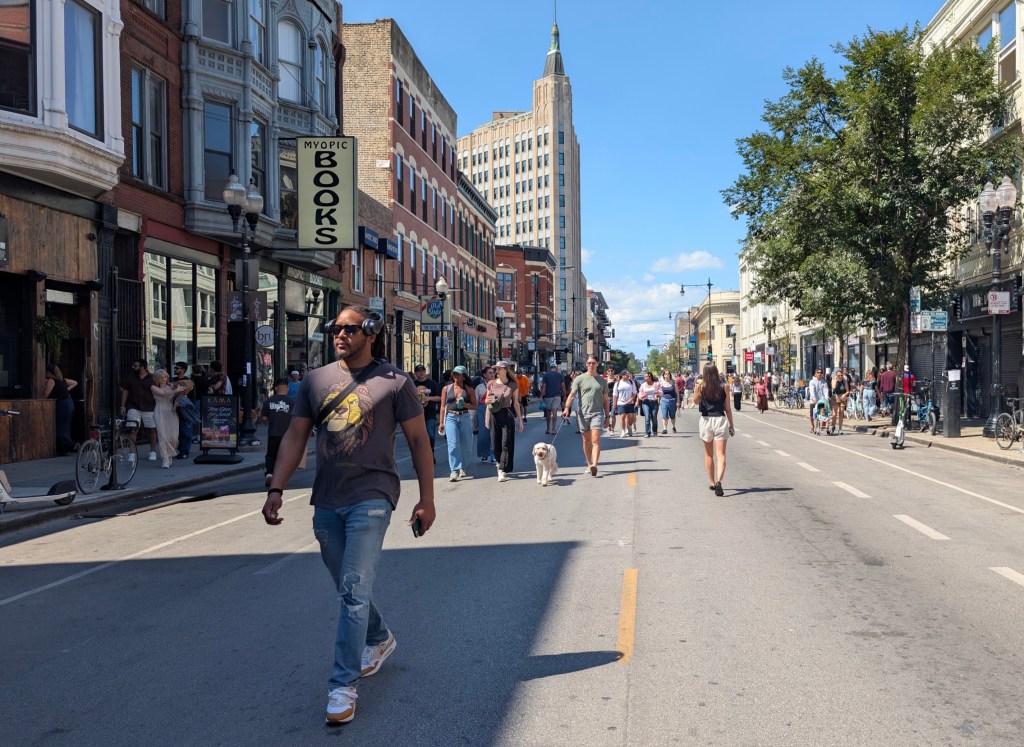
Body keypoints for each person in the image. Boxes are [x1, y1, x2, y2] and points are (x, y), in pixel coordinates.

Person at [261, 305, 435, 726]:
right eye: (335, 328)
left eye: (349, 328)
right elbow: (295, 437)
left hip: (373, 494)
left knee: (354, 589)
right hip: (327, 498)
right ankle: (378, 637)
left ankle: (342, 686)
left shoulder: (395, 382)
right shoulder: (316, 381)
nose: (340, 334)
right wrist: (276, 488)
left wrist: (426, 499)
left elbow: (418, 441)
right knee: (346, 586)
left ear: (370, 333)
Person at [562, 356, 609, 476]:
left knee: (595, 440)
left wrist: (608, 416)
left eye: (593, 363)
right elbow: (572, 394)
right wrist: (567, 408)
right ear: (586, 364)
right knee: (586, 440)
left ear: (597, 364)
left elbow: (605, 400)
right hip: (583, 413)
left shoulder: (602, 381)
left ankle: (595, 465)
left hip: (597, 413)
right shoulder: (580, 379)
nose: (591, 365)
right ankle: (589, 463)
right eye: (589, 363)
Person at [693, 362, 735, 496]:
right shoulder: (725, 387)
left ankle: (711, 482)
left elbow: (695, 402)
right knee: (721, 454)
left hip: (705, 420)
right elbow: (728, 408)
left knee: (708, 454)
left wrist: (698, 392)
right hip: (720, 420)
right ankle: (719, 482)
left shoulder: (701, 387)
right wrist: (731, 425)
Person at [485, 361, 523, 482]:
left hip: (507, 414)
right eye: (496, 368)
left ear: (506, 370)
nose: (497, 371)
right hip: (494, 415)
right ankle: (499, 463)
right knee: (496, 444)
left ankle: (502, 469)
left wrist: (520, 421)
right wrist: (488, 401)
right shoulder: (491, 384)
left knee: (506, 443)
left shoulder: (513, 385)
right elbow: (486, 401)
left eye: (499, 369)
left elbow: (516, 403)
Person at [438, 365, 476, 482]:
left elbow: (474, 405)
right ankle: (454, 469)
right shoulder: (446, 388)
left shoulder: (469, 389)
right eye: (454, 374)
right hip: (451, 417)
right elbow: (443, 406)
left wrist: (465, 405)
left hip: (464, 416)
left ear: (463, 376)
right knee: (453, 444)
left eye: (458, 374)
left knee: (466, 444)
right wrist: (441, 422)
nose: (456, 376)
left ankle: (463, 467)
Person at [120, 358, 158, 459]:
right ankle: (132, 453)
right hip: (134, 406)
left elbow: (158, 392)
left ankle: (153, 451)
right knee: (133, 429)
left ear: (143, 367)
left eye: (136, 366)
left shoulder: (152, 378)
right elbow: (125, 391)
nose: (133, 367)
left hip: (149, 407)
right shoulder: (130, 377)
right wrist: (123, 405)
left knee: (152, 429)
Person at [150, 369, 188, 468]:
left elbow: (179, 396)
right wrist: (176, 390)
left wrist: (179, 399)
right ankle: (165, 459)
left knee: (173, 437)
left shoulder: (171, 386)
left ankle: (169, 454)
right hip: (159, 411)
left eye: (165, 377)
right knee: (162, 436)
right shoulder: (153, 387)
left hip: (172, 412)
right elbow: (163, 394)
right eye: (161, 378)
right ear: (156, 379)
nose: (163, 379)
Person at [262, 377, 295, 486]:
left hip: (273, 433)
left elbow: (264, 418)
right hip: (287, 435)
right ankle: (281, 477)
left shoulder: (268, 401)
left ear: (276, 388)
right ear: (287, 388)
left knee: (271, 454)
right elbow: (296, 418)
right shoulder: (292, 402)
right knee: (284, 456)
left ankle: (269, 473)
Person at [44, 363, 78, 455]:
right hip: (69, 402)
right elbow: (75, 382)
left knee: (60, 429)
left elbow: (45, 396)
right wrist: (67, 390)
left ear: (48, 372)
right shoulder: (62, 380)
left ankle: (72, 445)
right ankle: (64, 450)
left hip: (63, 404)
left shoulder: (51, 381)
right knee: (65, 428)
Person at [411, 364, 441, 464]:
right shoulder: (412, 384)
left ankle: (430, 454)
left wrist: (429, 398)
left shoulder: (432, 383)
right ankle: (418, 459)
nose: (421, 373)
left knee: (430, 434)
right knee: (417, 437)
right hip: (416, 414)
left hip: (430, 413)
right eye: (419, 371)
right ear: (415, 373)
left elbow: (440, 397)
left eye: (423, 370)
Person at [171, 362, 196, 459]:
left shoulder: (188, 381)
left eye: (177, 368)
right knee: (176, 431)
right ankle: (181, 450)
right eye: (175, 368)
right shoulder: (173, 380)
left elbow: (191, 397)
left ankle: (184, 451)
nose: (175, 369)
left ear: (183, 370)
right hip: (174, 409)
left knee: (185, 431)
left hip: (184, 409)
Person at [474, 366, 496, 463]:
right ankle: (484, 453)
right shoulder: (479, 387)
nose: (492, 374)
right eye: (489, 373)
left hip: (495, 409)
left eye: (493, 372)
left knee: (494, 433)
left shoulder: (498, 386)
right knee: (483, 433)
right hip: (482, 410)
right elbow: (476, 402)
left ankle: (494, 454)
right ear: (484, 375)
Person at [540, 362, 566, 436]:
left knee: (548, 412)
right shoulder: (560, 375)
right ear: (556, 367)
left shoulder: (546, 375)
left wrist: (541, 396)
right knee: (555, 411)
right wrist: (564, 395)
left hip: (548, 396)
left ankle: (548, 428)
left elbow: (543, 386)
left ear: (550, 367)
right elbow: (563, 386)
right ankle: (554, 429)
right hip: (557, 395)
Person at [613, 369, 638, 437]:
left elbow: (635, 393)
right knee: (622, 417)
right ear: (622, 375)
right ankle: (623, 431)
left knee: (631, 417)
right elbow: (615, 395)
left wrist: (631, 399)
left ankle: (629, 426)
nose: (627, 376)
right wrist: (614, 405)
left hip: (630, 402)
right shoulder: (617, 383)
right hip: (621, 403)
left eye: (628, 375)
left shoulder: (631, 382)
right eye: (626, 375)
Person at [637, 371, 662, 438]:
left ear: (650, 377)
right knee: (647, 417)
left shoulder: (656, 384)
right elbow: (639, 394)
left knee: (654, 418)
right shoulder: (643, 385)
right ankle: (647, 433)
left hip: (654, 402)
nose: (645, 378)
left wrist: (658, 392)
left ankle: (654, 431)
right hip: (646, 402)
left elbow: (662, 393)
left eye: (646, 376)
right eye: (644, 377)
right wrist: (643, 396)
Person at [807, 369, 829, 433]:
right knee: (812, 415)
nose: (819, 374)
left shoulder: (824, 382)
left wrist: (826, 399)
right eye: (818, 372)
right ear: (815, 373)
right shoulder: (812, 382)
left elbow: (826, 391)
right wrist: (813, 398)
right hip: (814, 400)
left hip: (821, 400)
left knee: (821, 414)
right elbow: (812, 390)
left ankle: (818, 427)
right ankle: (812, 425)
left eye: (821, 373)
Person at [830, 367, 851, 435]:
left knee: (841, 413)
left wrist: (844, 395)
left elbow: (848, 391)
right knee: (834, 414)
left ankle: (840, 429)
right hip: (835, 397)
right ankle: (833, 426)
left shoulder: (844, 381)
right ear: (836, 375)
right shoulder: (833, 380)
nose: (840, 376)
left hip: (842, 397)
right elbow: (833, 387)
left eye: (841, 375)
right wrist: (836, 380)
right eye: (838, 375)